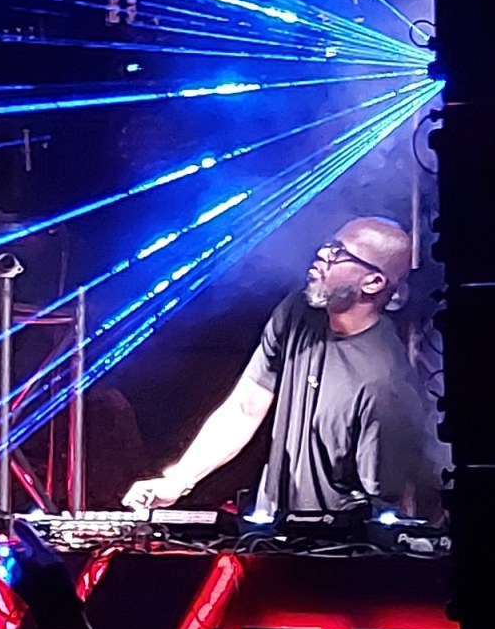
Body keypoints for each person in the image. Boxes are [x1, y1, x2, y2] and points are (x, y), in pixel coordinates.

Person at [122, 216, 445, 524]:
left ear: (373, 282)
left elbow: (383, 501)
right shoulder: (298, 311)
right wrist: (179, 480)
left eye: (339, 252)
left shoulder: (384, 381)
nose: (323, 253)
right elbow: (246, 407)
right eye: (328, 244)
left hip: (336, 550)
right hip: (273, 530)